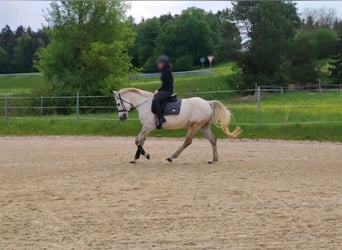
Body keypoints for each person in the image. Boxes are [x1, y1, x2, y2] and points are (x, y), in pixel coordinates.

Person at [152, 55, 174, 129]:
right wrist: (158, 90)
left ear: (163, 63)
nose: (158, 65)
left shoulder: (166, 71)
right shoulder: (165, 71)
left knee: (156, 101)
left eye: (159, 63)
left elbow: (165, 85)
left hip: (167, 91)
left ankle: (161, 118)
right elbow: (164, 85)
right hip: (166, 89)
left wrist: (158, 90)